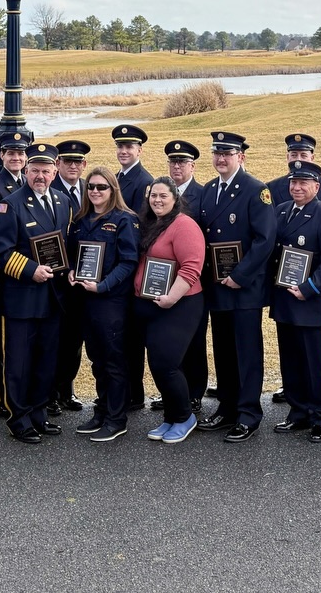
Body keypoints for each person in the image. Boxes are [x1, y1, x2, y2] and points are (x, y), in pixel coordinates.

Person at [196, 131, 276, 443]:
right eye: (217, 153)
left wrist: (239, 275)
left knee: (247, 352)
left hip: (244, 287)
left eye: (227, 153)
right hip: (217, 285)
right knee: (224, 351)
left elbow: (264, 240)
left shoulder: (257, 190)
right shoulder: (209, 190)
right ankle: (227, 407)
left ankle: (248, 414)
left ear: (240, 157)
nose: (221, 159)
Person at [0, 141, 72, 443]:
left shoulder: (63, 202)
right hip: (23, 297)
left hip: (53, 298)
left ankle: (39, 413)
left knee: (46, 360)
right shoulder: (10, 204)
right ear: (26, 171)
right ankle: (19, 417)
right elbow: (0, 251)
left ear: (55, 171)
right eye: (35, 170)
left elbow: (66, 246)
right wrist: (30, 270)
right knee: (20, 362)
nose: (40, 176)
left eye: (46, 171)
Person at [268, 161, 321, 443]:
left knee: (316, 363)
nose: (296, 188)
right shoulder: (282, 211)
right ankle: (298, 412)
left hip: (312, 302)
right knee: (291, 360)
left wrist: (309, 287)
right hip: (285, 299)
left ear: (316, 186)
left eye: (303, 183)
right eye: (293, 183)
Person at [68, 165, 140, 442]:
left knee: (113, 361)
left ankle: (116, 418)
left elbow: (129, 262)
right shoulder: (81, 219)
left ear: (113, 190)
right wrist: (73, 270)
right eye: (92, 187)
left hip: (111, 301)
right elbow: (74, 255)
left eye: (102, 187)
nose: (96, 191)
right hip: (85, 299)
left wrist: (103, 285)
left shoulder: (125, 220)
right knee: (97, 360)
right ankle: (101, 409)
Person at [131, 179, 205, 444]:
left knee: (167, 363)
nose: (157, 200)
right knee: (158, 364)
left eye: (163, 195)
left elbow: (191, 268)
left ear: (175, 198)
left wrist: (171, 298)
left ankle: (185, 417)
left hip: (179, 305)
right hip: (151, 303)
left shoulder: (184, 225)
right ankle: (171, 417)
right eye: (153, 196)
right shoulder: (150, 223)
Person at [0, 131, 29, 419]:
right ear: (2, 156)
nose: (16, 158)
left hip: (23, 273)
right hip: (3, 274)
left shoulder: (26, 182)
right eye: (11, 153)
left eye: (21, 153)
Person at [158, 140, 206, 414]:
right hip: (162, 282)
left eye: (182, 162)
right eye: (173, 162)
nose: (177, 166)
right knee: (170, 343)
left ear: (192, 166)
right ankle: (174, 395)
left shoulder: (204, 193)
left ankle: (195, 393)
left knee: (194, 340)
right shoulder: (160, 192)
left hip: (193, 282)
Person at [51, 138, 91, 414]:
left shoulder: (93, 189)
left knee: (75, 339)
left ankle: (67, 390)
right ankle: (50, 393)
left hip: (85, 276)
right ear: (58, 164)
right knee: (54, 337)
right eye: (68, 161)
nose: (73, 166)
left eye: (78, 162)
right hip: (54, 278)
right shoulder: (48, 189)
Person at [266, 134, 321, 207]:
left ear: (312, 158)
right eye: (294, 155)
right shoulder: (272, 187)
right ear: (288, 157)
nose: (298, 160)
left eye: (303, 155)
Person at [112, 124, 154, 214]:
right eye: (120, 146)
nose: (123, 151)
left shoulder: (145, 182)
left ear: (139, 151)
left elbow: (139, 220)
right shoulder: (114, 178)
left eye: (129, 147)